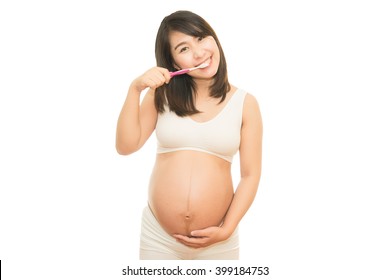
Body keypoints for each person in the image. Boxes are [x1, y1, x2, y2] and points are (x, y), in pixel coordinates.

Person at [116, 10, 262, 260]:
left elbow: (250, 175)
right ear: (174, 63)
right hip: (158, 238)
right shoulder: (161, 95)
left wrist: (226, 230)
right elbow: (126, 146)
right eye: (183, 49)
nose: (198, 52)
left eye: (201, 38)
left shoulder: (245, 103)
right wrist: (134, 89)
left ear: (214, 39)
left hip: (218, 242)